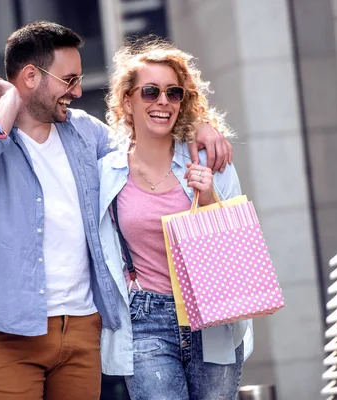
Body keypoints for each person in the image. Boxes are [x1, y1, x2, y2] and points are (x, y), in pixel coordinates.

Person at [0, 21, 233, 400]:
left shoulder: (86, 132)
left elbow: (144, 141)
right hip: (8, 329)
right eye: (69, 80)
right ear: (31, 76)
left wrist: (196, 124)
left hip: (82, 328)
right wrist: (10, 101)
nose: (78, 91)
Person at [96, 38, 254, 400]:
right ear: (127, 100)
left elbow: (238, 241)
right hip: (145, 318)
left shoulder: (209, 159)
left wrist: (209, 196)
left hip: (212, 310)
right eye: (150, 92)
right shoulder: (106, 172)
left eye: (174, 92)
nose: (162, 102)